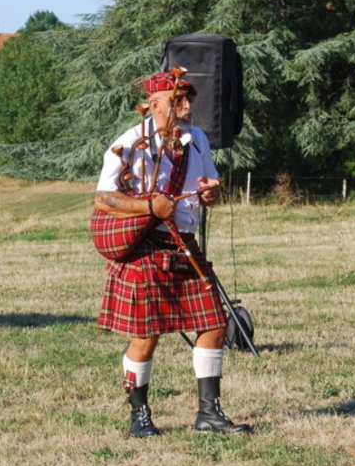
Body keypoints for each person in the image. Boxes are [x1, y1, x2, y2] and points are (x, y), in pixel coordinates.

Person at [93, 70, 251, 437]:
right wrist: (149, 207)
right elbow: (104, 199)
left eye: (189, 99)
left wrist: (210, 193)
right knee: (147, 334)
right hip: (147, 247)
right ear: (154, 104)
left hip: (185, 243)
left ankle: (209, 415)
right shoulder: (130, 142)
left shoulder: (196, 139)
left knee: (214, 324)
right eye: (178, 100)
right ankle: (139, 417)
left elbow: (207, 186)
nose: (187, 106)